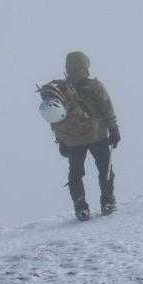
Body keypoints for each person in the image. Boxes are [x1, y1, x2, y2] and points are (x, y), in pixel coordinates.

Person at [44, 50, 120, 221]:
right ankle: (108, 202)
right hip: (97, 135)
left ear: (67, 67)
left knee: (76, 174)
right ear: (86, 65)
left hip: (72, 140)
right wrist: (114, 129)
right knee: (105, 169)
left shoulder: (60, 90)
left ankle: (81, 208)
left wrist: (61, 140)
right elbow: (107, 109)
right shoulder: (94, 86)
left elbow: (54, 118)